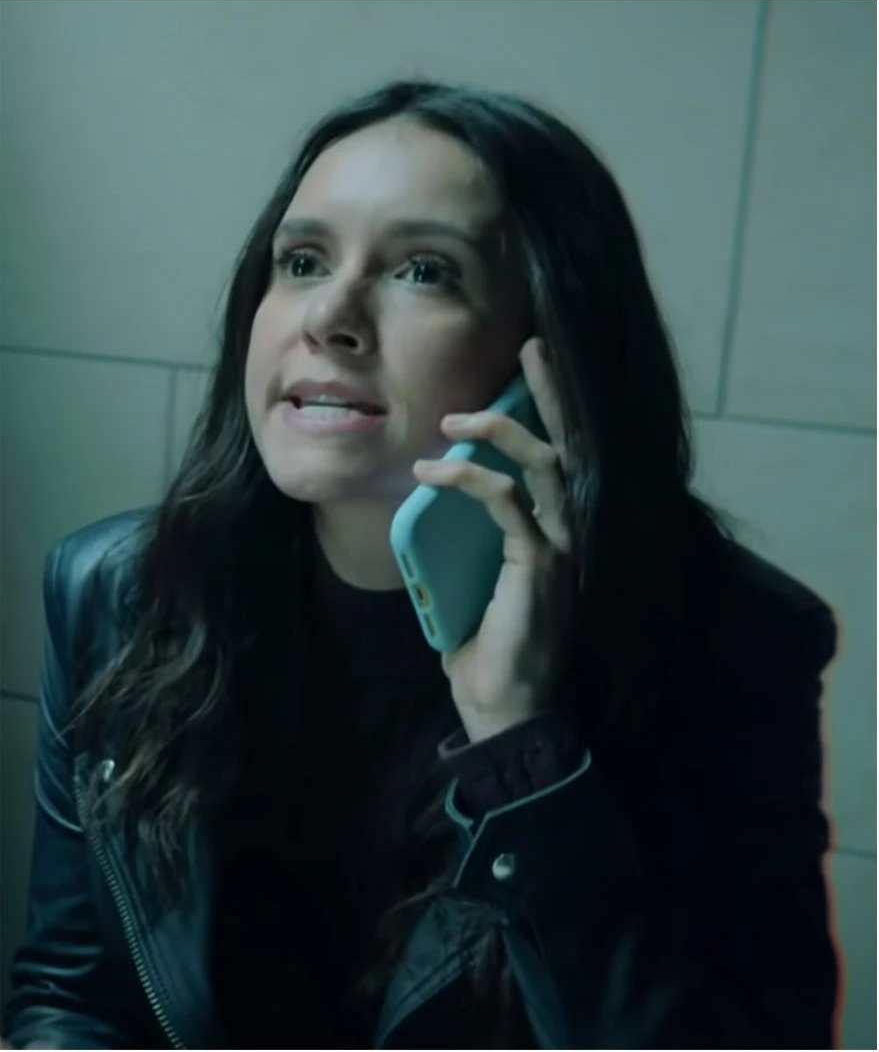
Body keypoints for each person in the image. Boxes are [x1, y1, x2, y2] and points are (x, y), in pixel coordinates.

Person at [4, 79, 840, 1051]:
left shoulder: (734, 646)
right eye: (303, 261)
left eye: (424, 271)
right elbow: (72, 997)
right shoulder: (117, 592)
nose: (330, 316)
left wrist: (519, 747)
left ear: (553, 358)